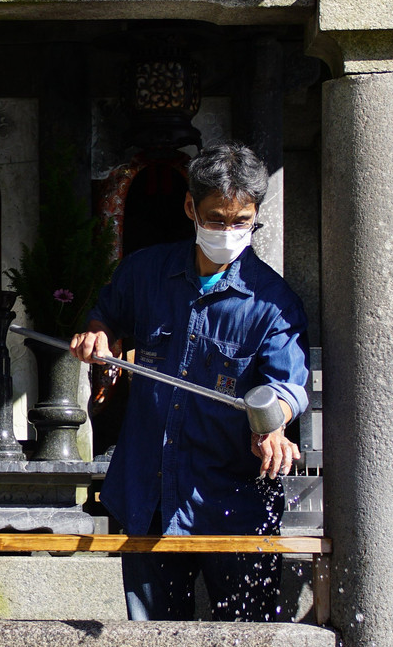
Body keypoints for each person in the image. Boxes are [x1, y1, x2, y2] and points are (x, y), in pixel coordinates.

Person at [70, 141, 309, 622]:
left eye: (242, 221)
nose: (228, 231)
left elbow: (287, 387)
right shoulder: (144, 272)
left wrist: (273, 425)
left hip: (232, 502)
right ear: (190, 208)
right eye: (216, 219)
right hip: (148, 496)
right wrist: (99, 337)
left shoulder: (273, 302)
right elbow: (107, 319)